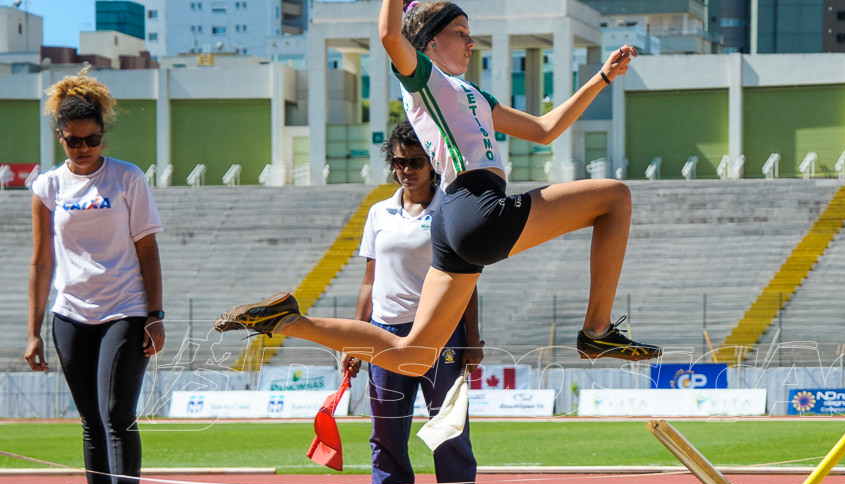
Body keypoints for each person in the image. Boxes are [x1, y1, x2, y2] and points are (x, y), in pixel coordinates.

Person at [214, 0, 661, 377]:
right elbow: (391, 36)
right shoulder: (424, 79)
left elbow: (545, 129)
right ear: (429, 43)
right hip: (476, 206)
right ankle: (597, 331)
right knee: (615, 197)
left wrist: (601, 78)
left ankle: (287, 321)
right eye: (461, 32)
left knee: (414, 357)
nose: (471, 42)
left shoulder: (472, 95)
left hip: (451, 219)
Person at [25, 68, 165, 484]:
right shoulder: (46, 188)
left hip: (125, 309)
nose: (82, 149)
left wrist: (155, 313)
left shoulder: (127, 177)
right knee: (89, 420)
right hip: (70, 315)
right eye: (73, 141)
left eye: (91, 139)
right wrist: (34, 331)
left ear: (103, 134)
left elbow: (148, 251)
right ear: (59, 137)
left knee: (116, 413)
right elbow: (41, 262)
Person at [347, 120, 482, 484]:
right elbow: (369, 282)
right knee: (386, 433)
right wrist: (356, 338)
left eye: (416, 162)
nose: (407, 170)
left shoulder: (450, 210)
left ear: (433, 164)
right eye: (399, 162)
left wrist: (473, 339)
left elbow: (467, 281)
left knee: (447, 428)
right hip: (385, 336)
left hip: (440, 333)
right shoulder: (377, 213)